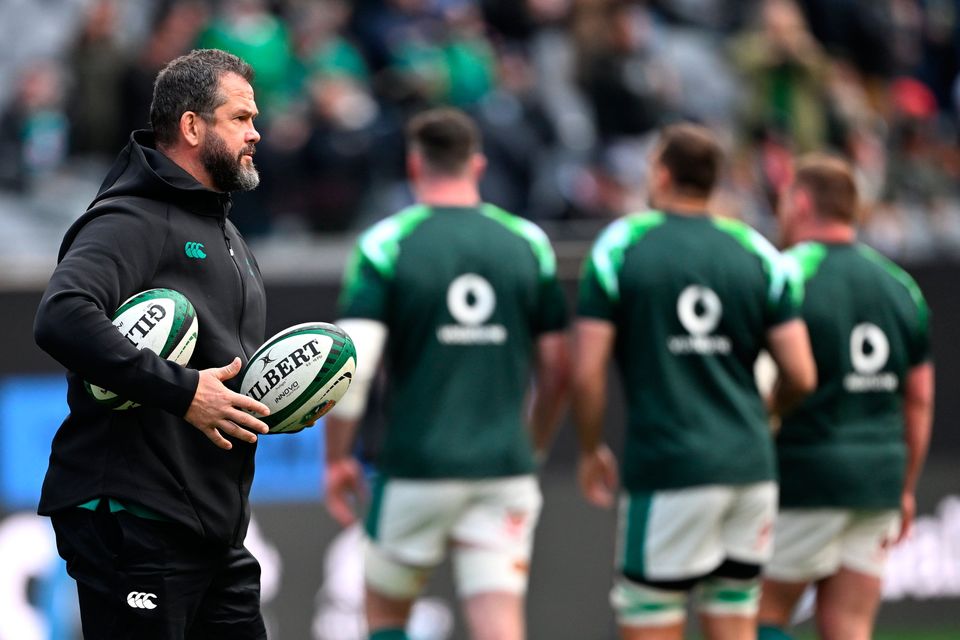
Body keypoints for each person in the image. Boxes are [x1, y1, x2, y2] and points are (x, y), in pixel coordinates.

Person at [33, 49, 272, 639]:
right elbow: (62, 315)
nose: (256, 132)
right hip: (134, 520)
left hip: (212, 530)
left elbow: (222, 377)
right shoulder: (131, 217)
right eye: (240, 118)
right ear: (192, 126)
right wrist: (186, 391)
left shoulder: (226, 231)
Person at [323, 107, 570, 640]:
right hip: (504, 464)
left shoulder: (386, 243)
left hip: (416, 464)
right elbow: (557, 371)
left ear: (415, 165)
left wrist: (338, 458)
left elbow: (354, 369)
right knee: (500, 622)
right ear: (476, 165)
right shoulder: (527, 242)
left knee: (387, 615)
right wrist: (533, 446)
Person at [573, 123, 817, 640]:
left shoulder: (621, 246)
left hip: (670, 468)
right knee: (733, 621)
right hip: (749, 469)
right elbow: (800, 373)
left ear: (661, 174)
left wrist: (591, 446)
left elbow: (586, 371)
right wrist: (766, 414)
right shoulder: (757, 251)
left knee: (651, 617)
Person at [758, 155, 935, 640]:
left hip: (802, 475)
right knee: (850, 627)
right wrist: (904, 486)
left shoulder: (784, 274)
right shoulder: (901, 287)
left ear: (800, 202)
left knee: (755, 618)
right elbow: (918, 398)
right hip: (877, 478)